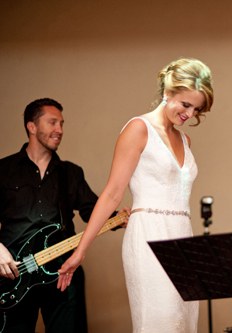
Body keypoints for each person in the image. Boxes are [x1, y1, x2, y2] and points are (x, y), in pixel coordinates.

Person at [57, 58, 214, 333]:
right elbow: (112, 194)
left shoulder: (185, 141)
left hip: (184, 238)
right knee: (160, 323)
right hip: (149, 237)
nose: (190, 114)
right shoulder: (138, 129)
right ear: (167, 93)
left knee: (185, 324)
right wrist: (80, 252)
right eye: (185, 104)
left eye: (196, 108)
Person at [0, 98, 129, 332]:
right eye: (52, 123)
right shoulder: (3, 170)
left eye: (61, 123)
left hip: (63, 271)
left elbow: (92, 210)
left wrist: (120, 218)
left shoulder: (70, 172)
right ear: (31, 126)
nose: (59, 130)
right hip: (12, 275)